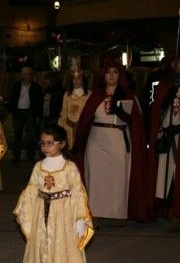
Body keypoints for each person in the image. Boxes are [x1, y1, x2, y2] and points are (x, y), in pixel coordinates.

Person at [13, 123, 93, 263]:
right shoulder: (39, 166)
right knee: (40, 246)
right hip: (41, 213)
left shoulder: (69, 167)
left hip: (63, 215)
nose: (45, 147)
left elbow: (78, 191)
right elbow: (32, 188)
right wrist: (25, 208)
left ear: (62, 144)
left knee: (62, 249)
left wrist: (80, 218)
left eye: (50, 143)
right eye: (42, 143)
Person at [73, 59, 148, 225]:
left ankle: (117, 213)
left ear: (119, 75)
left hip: (119, 140)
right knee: (96, 177)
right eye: (108, 72)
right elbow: (85, 119)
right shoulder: (95, 95)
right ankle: (95, 213)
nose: (111, 75)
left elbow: (137, 122)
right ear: (104, 75)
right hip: (97, 140)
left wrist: (123, 114)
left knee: (118, 178)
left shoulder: (128, 95)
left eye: (115, 72)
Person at [145, 57, 180, 232]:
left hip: (178, 134)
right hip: (169, 135)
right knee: (167, 176)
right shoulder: (167, 85)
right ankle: (170, 213)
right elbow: (158, 111)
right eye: (176, 62)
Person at [6, 66, 43, 162]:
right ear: (22, 75)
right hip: (18, 112)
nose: (26, 76)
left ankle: (30, 155)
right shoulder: (16, 86)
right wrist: (11, 111)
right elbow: (11, 98)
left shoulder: (36, 87)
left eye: (28, 74)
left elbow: (39, 101)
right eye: (24, 73)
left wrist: (38, 114)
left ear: (32, 75)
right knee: (17, 134)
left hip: (30, 112)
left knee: (31, 135)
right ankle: (16, 155)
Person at [58, 67, 92, 149]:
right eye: (74, 78)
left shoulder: (89, 94)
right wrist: (67, 122)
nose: (76, 80)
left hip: (83, 126)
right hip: (68, 126)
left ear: (83, 80)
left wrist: (80, 123)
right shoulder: (67, 95)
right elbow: (64, 111)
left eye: (79, 78)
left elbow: (90, 112)